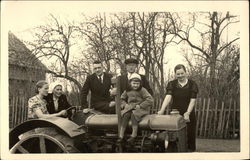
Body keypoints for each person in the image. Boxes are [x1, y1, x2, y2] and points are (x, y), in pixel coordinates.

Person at [27, 80, 78, 152]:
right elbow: (41, 116)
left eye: (48, 88)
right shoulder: (33, 100)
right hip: (38, 127)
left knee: (70, 137)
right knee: (67, 141)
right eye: (46, 88)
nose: (48, 91)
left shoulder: (44, 101)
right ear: (39, 89)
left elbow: (50, 114)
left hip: (47, 126)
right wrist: (59, 114)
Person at [157, 64, 199, 152]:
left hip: (188, 112)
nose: (180, 76)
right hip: (175, 113)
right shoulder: (172, 84)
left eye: (182, 73)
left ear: (186, 72)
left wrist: (188, 112)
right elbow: (168, 97)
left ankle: (190, 152)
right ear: (175, 74)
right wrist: (162, 109)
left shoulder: (192, 84)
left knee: (190, 134)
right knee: (174, 134)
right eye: (178, 74)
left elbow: (193, 100)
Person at [117, 73, 153, 143]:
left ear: (140, 84)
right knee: (125, 115)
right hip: (130, 107)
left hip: (141, 109)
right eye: (134, 83)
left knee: (134, 115)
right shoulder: (127, 90)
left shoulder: (143, 90)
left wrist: (141, 105)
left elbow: (150, 100)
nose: (136, 85)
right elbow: (121, 98)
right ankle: (121, 136)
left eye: (137, 83)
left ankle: (134, 135)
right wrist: (124, 104)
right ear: (130, 83)